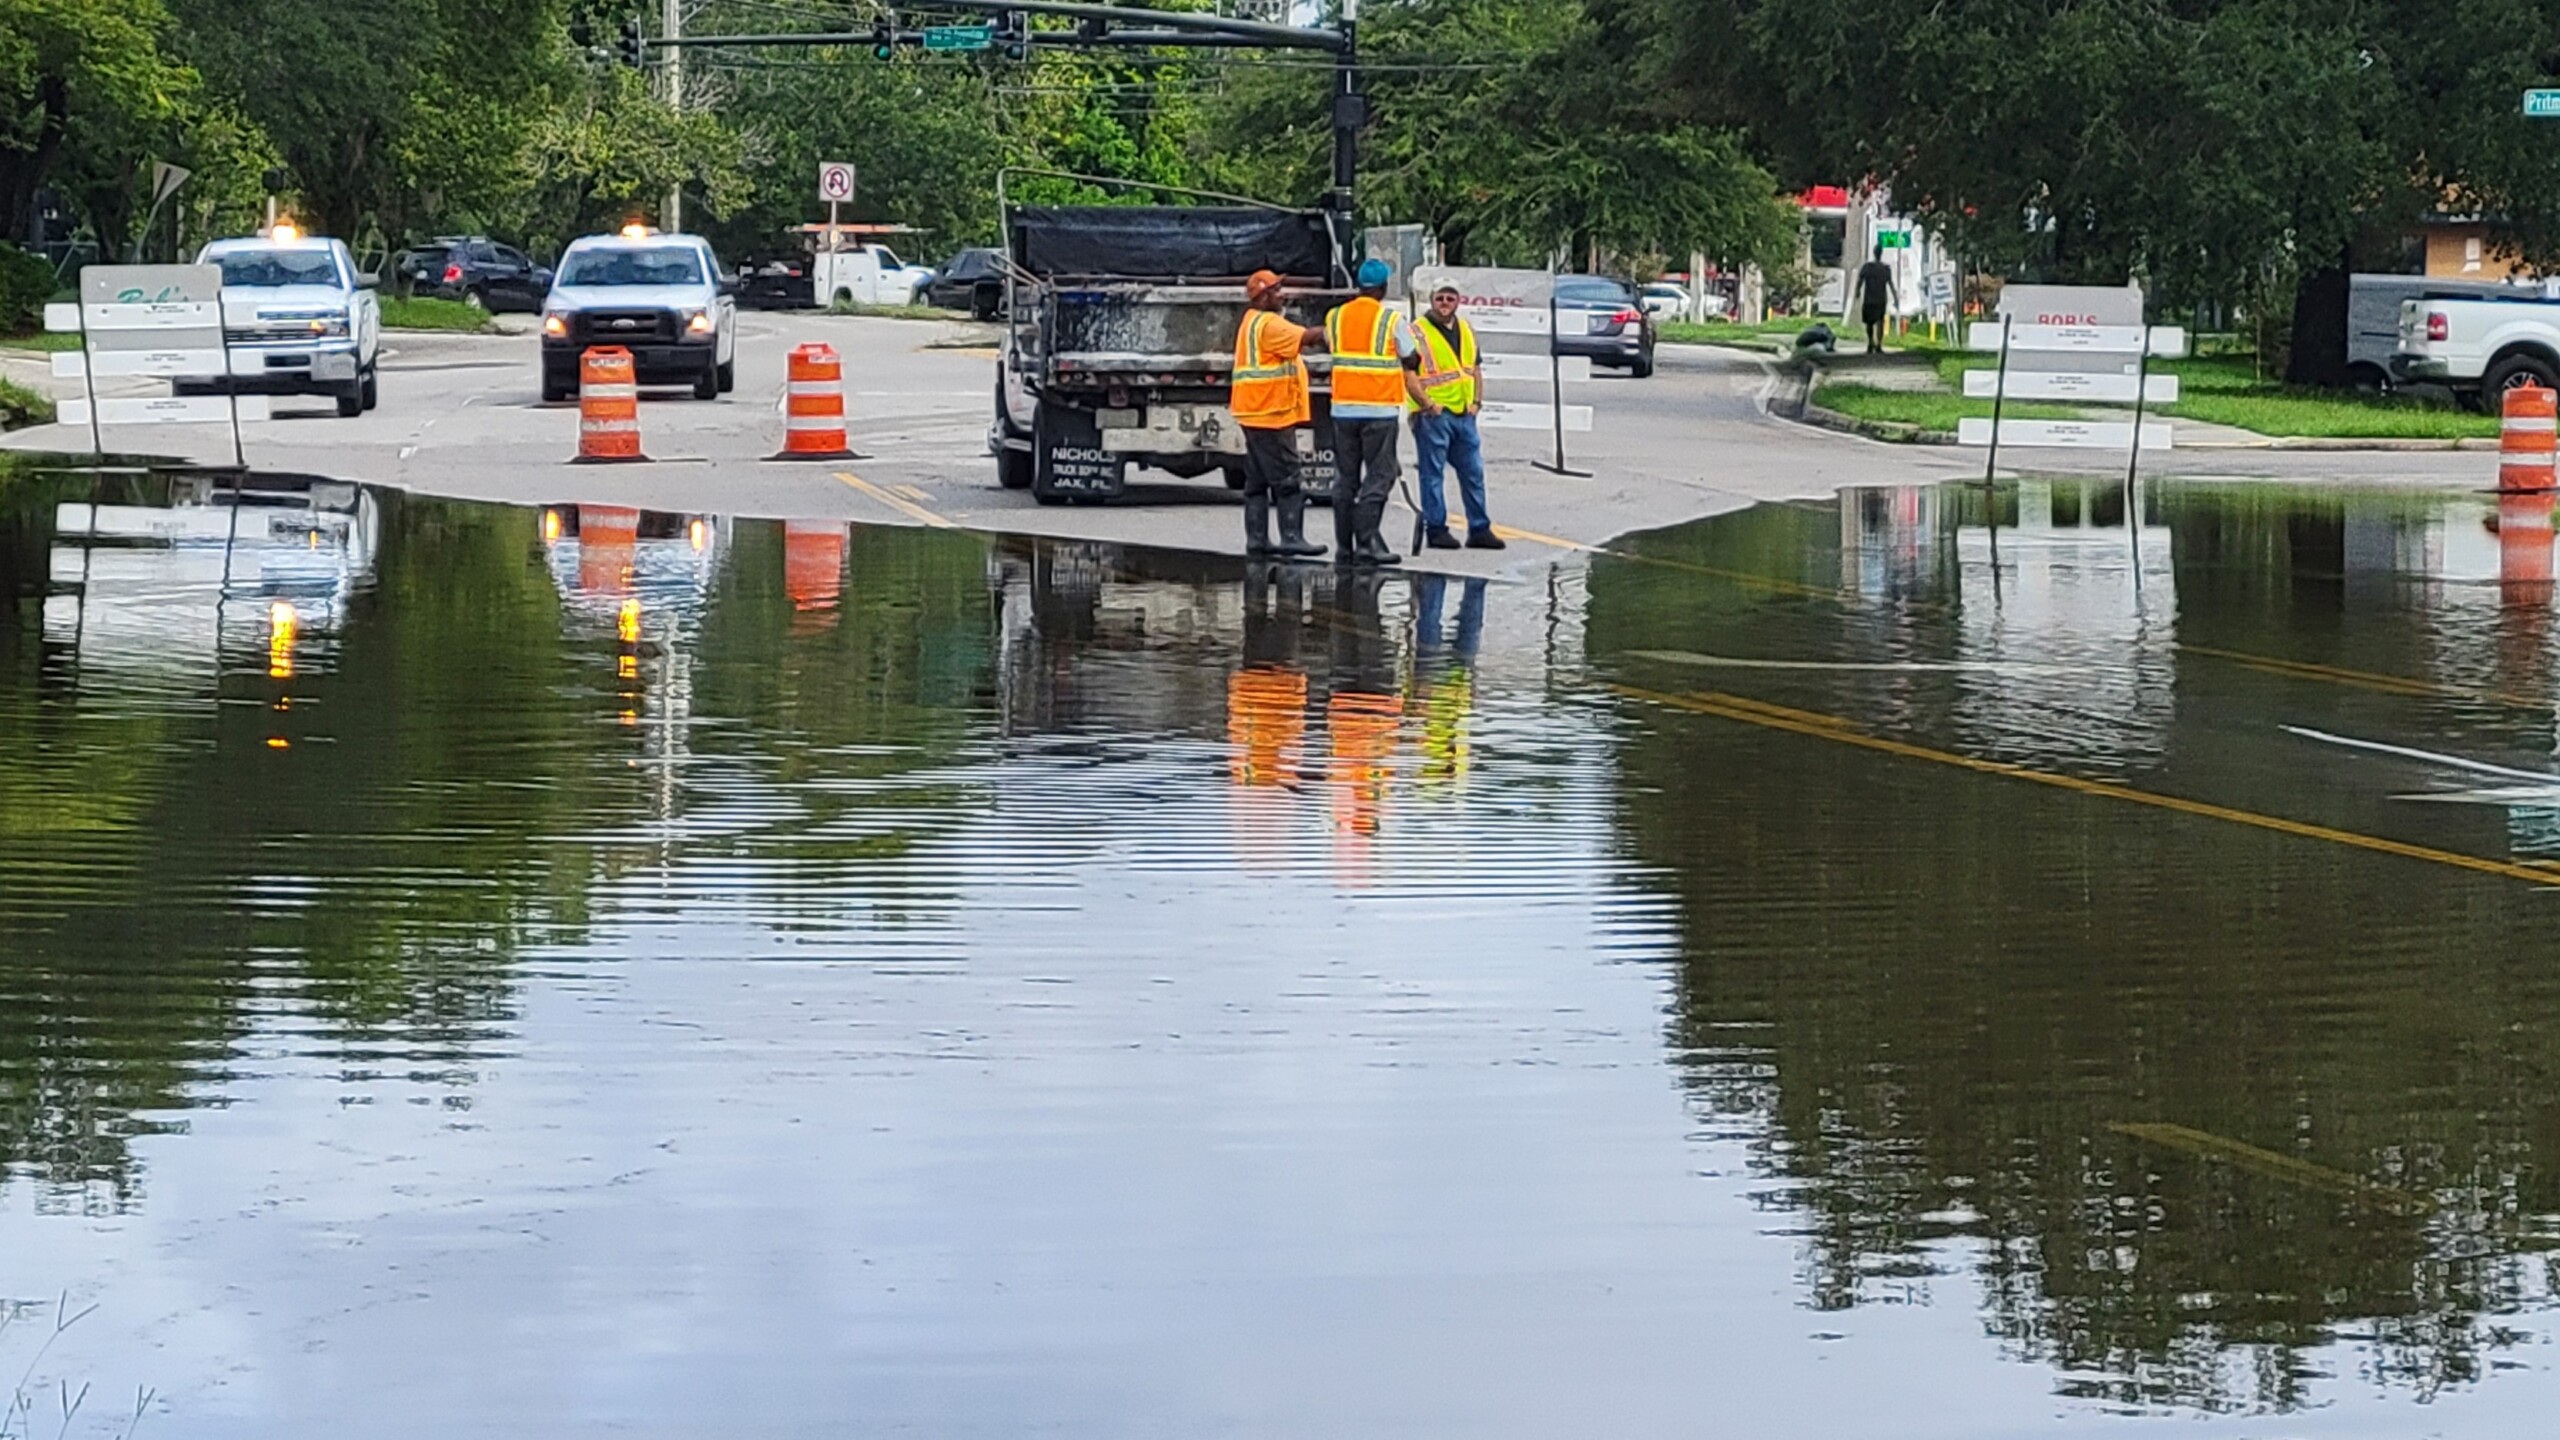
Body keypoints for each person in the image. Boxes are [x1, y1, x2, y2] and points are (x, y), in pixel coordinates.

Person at [1324, 259, 1436, 566]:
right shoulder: (1390, 319)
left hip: (1343, 409)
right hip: (1378, 409)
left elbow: (1333, 346)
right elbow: (1409, 355)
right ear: (1384, 288)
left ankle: (1344, 547)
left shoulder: (1335, 316)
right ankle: (1367, 542)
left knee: (1346, 478)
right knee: (1380, 475)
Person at [1230, 269, 1329, 559]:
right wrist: (1337, 326)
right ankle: (1291, 538)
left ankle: (1258, 541)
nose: (1281, 294)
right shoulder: (1270, 324)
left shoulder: (1251, 321)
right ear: (1262, 296)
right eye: (1275, 290)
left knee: (1257, 483)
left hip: (1255, 411)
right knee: (1288, 480)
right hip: (1270, 413)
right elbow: (1307, 338)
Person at [1410, 282, 1502, 550]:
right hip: (1434, 414)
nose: (1445, 303)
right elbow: (1409, 374)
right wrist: (1427, 405)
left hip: (1463, 413)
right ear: (1432, 300)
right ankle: (1437, 530)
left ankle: (1479, 529)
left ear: (1458, 301)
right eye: (1440, 298)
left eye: (1450, 298)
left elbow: (1474, 368)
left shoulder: (1466, 329)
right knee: (1433, 474)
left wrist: (1477, 402)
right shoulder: (1417, 331)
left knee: (1473, 472)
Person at [1855, 244, 1895, 353]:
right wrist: (1895, 296)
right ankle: (1878, 344)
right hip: (1880, 299)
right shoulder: (1885, 269)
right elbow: (1890, 284)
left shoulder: (1867, 267)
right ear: (1881, 253)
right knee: (1880, 322)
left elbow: (1860, 280)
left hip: (1869, 298)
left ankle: (1870, 342)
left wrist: (1857, 291)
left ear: (1874, 253)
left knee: (1869, 323)